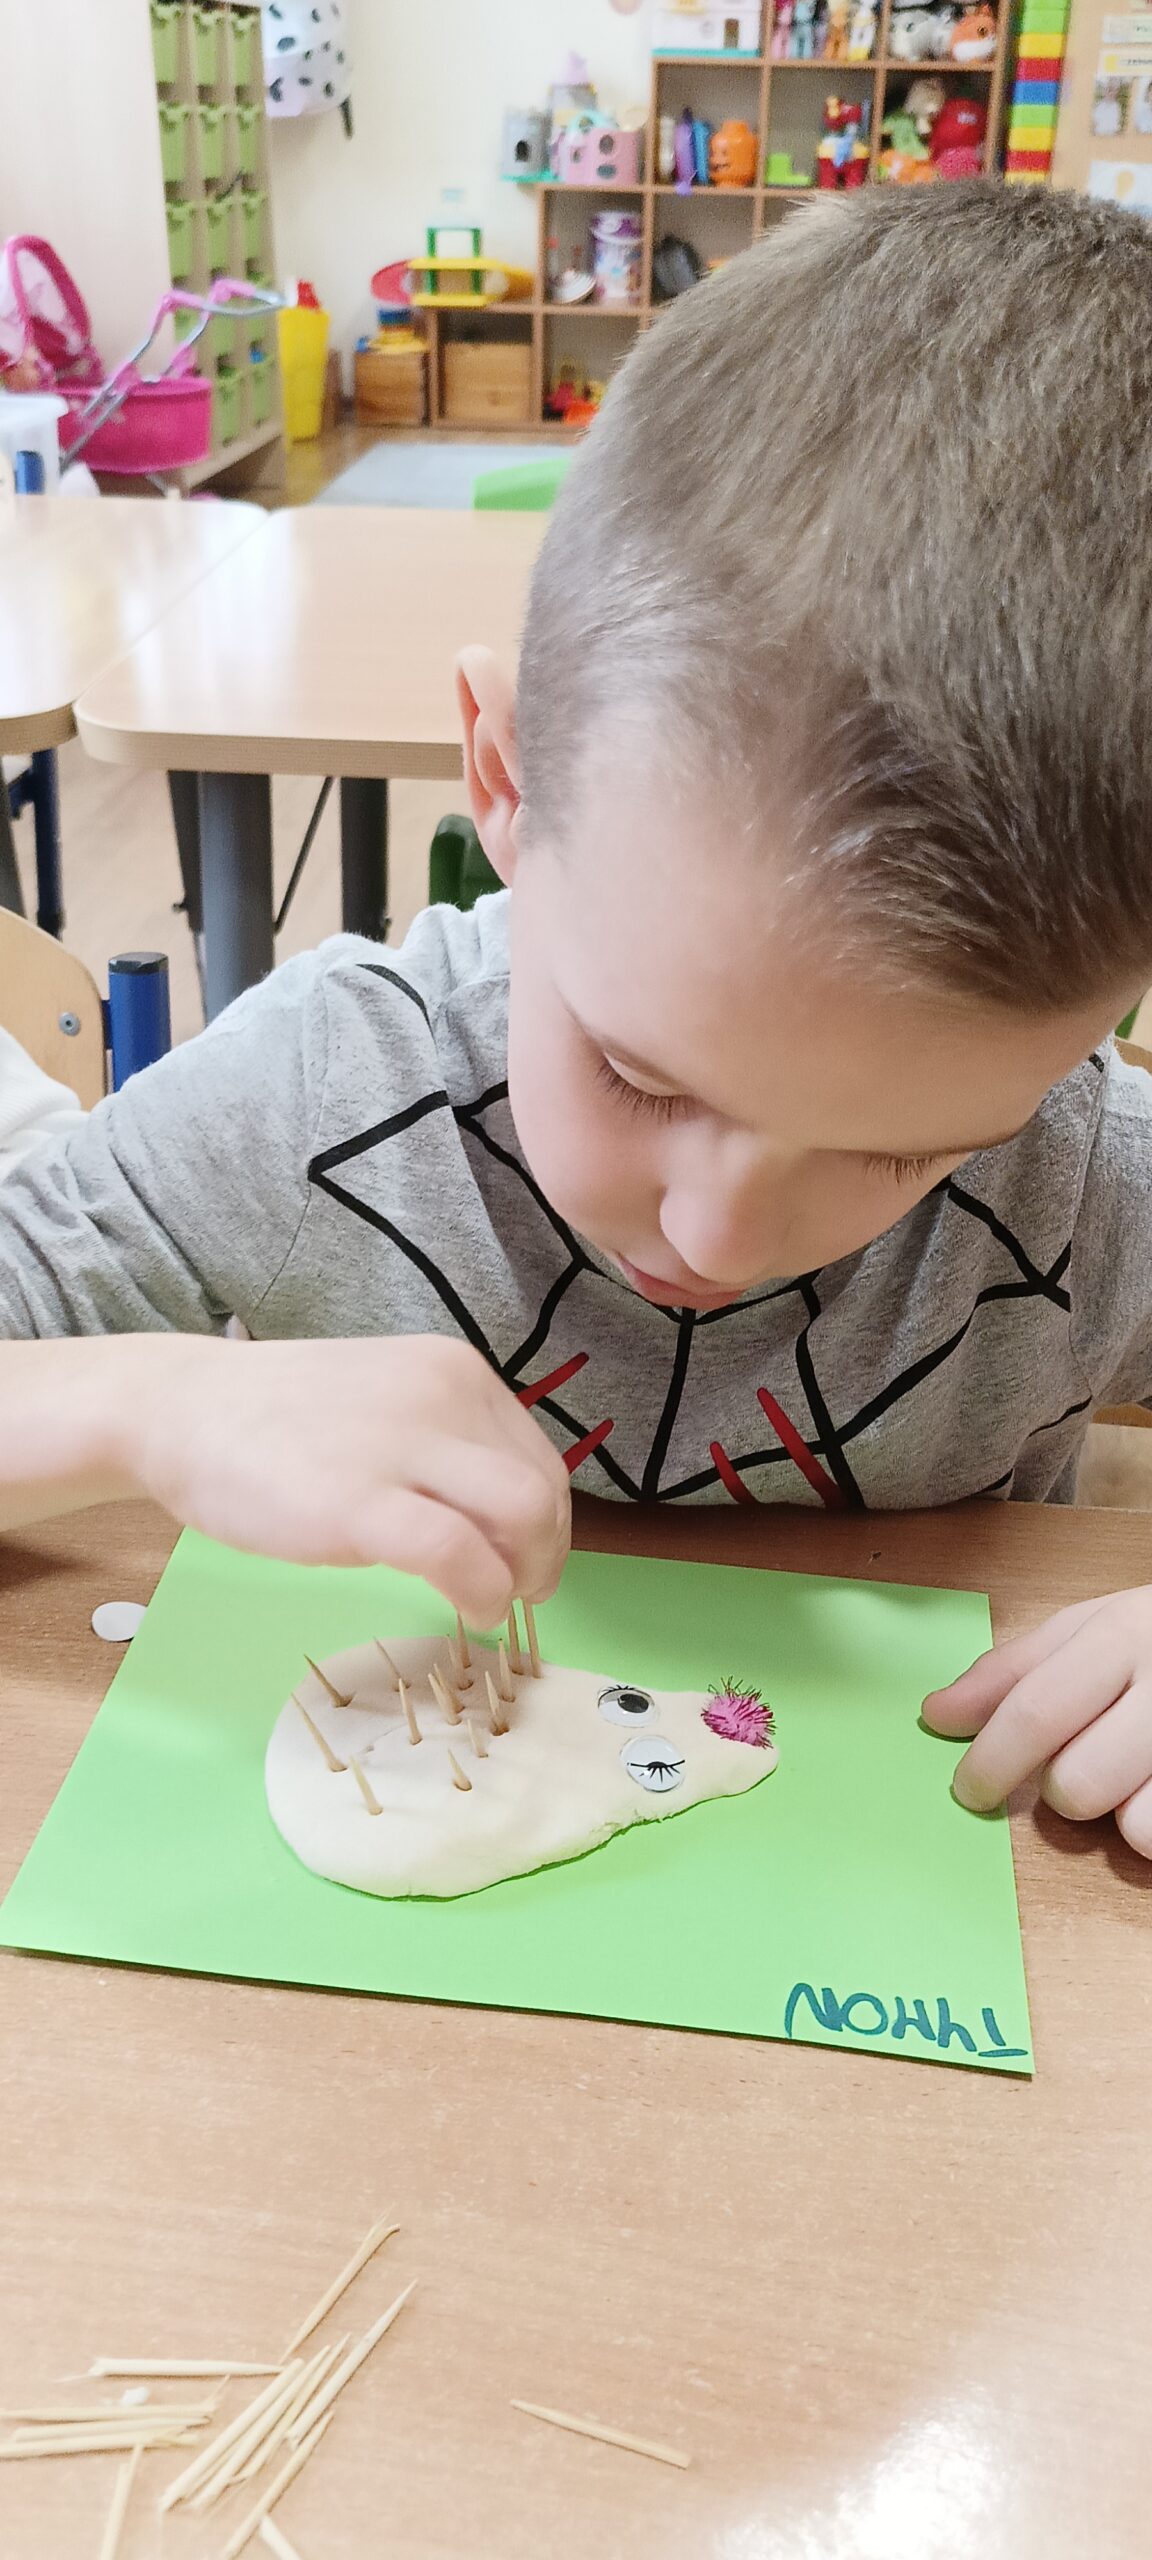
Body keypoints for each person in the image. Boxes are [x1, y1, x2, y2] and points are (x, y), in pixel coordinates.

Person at [1, 185, 1152, 1854]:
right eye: (637, 1074)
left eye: (909, 1152)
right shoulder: (325, 1091)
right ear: (505, 777)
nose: (717, 1235)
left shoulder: (1093, 1182)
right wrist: (149, 1405)